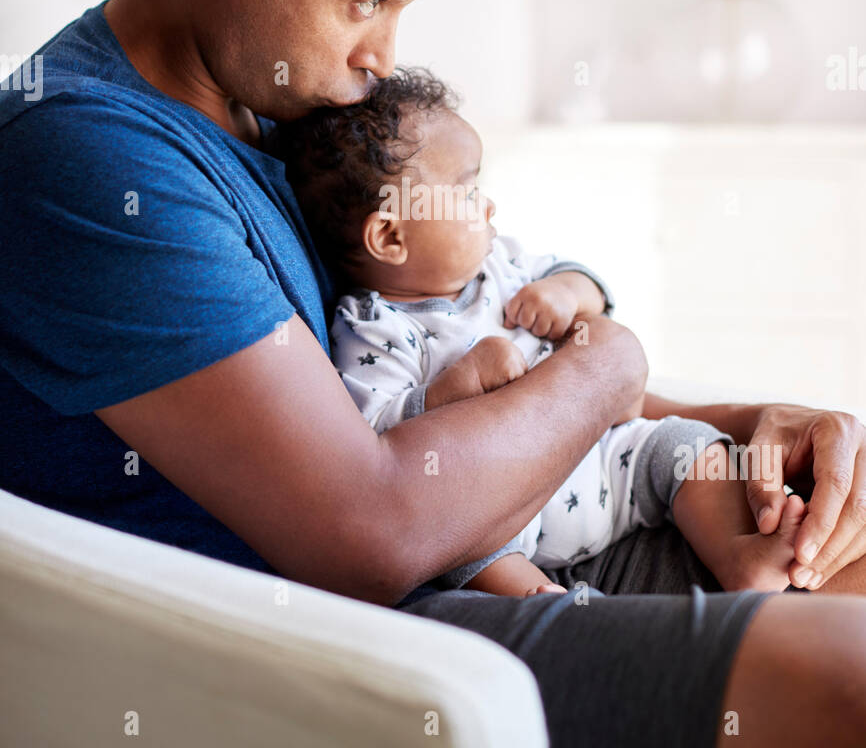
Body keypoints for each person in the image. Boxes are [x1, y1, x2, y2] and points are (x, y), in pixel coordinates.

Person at [1, 0, 865, 748]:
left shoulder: (283, 112)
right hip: (326, 651)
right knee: (846, 701)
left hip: (486, 544)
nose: (381, 54)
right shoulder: (85, 159)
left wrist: (738, 425)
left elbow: (450, 343)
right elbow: (369, 526)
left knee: (836, 531)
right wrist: (617, 364)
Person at [278, 65, 810, 600]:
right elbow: (376, 436)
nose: (488, 205)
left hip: (606, 463)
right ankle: (540, 599)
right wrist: (455, 385)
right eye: (467, 192)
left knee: (683, 448)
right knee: (462, 547)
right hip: (498, 514)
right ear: (391, 236)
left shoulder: (502, 265)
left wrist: (566, 294)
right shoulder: (374, 330)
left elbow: (590, 288)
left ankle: (737, 555)